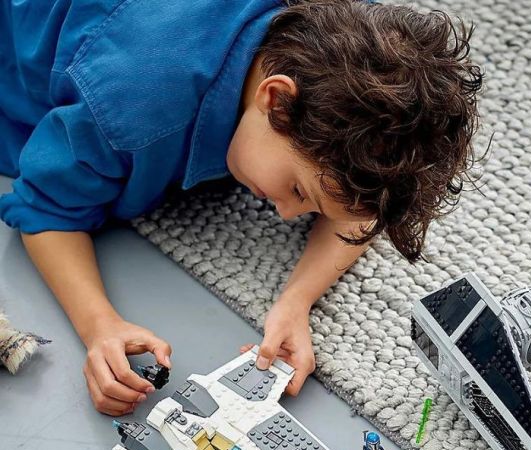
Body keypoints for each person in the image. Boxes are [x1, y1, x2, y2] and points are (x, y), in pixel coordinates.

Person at [0, 0, 481, 415]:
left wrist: (296, 300)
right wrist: (101, 327)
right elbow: (46, 211)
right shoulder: (133, 111)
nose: (289, 215)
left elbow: (360, 208)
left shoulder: (367, 46)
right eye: (297, 189)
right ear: (276, 100)